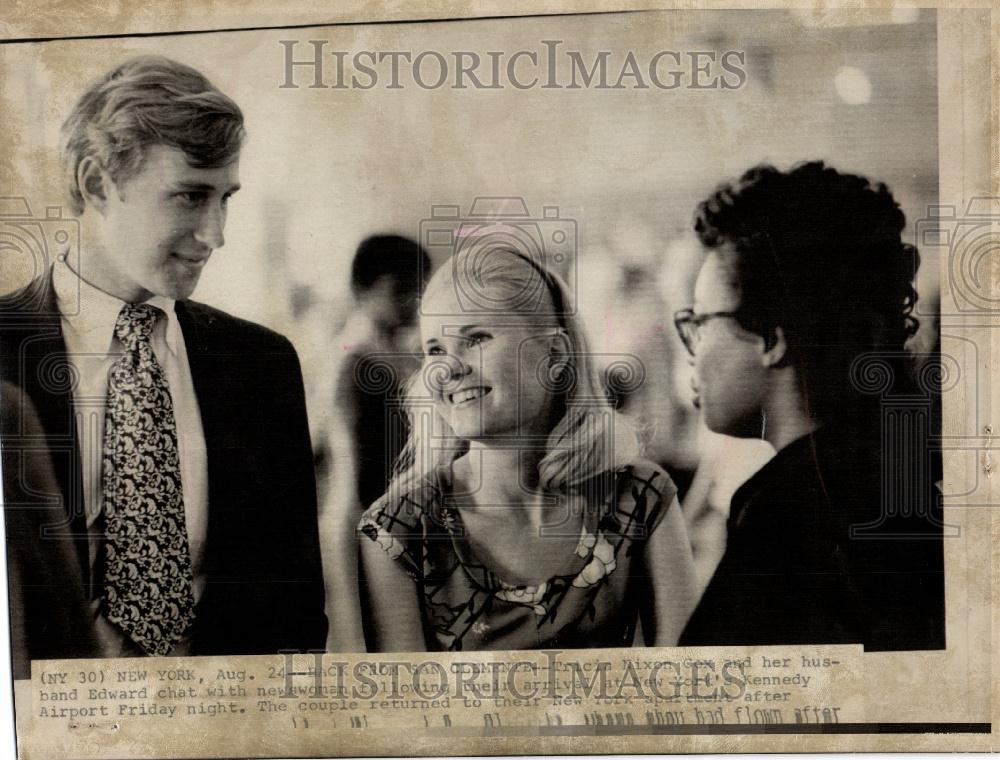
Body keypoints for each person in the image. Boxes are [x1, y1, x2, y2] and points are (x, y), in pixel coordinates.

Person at [0, 55, 326, 659]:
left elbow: (296, 610)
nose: (215, 233)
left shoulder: (262, 364)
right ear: (98, 183)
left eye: (226, 198)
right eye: (189, 197)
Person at [358, 246, 698, 651]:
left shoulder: (640, 497)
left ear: (554, 353)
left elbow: (690, 683)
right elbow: (406, 713)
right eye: (435, 350)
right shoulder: (399, 529)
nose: (448, 368)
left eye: (476, 338)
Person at [674, 161, 945, 650]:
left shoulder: (786, 520)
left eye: (700, 322)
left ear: (771, 340)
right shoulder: (902, 477)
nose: (691, 348)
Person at [320, 235, 431, 651]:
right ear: (362, 290)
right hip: (362, 513)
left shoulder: (399, 355)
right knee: (376, 639)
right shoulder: (355, 359)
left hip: (395, 513)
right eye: (400, 289)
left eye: (418, 288)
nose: (412, 301)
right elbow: (351, 462)